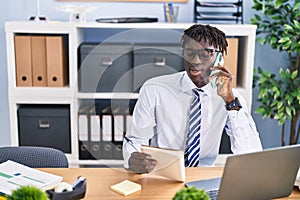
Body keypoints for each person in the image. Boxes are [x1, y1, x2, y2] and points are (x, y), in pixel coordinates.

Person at [123, 24, 262, 174]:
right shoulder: (155, 88)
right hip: (162, 174)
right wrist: (133, 158)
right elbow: (136, 139)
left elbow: (250, 152)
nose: (195, 60)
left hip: (203, 175)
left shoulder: (231, 98)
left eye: (206, 53)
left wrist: (229, 101)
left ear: (219, 58)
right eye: (190, 52)